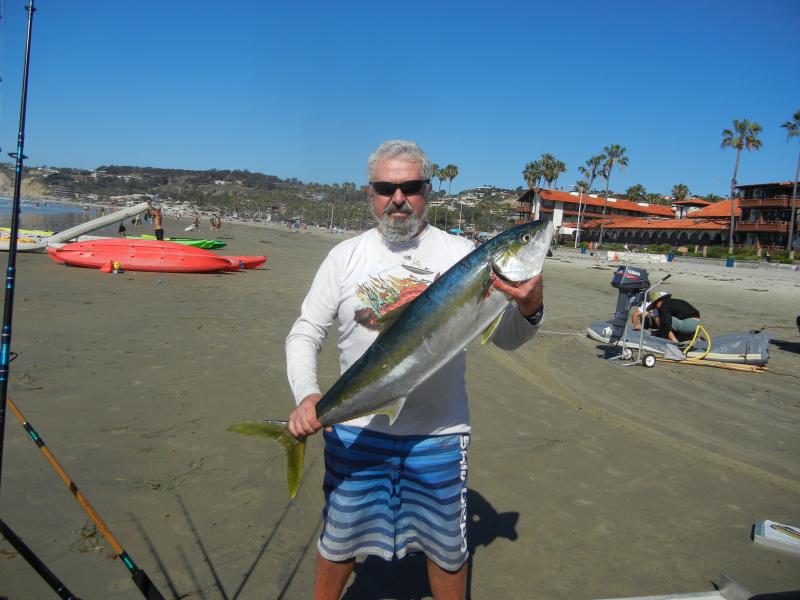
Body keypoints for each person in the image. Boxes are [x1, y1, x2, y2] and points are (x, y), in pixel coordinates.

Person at [285, 140, 545, 600]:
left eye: (410, 186)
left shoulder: (462, 253)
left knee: (446, 551)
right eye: (386, 187)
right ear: (371, 193)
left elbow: (506, 338)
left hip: (439, 435)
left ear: (428, 190)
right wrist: (309, 395)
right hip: (355, 429)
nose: (398, 198)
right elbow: (305, 332)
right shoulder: (344, 257)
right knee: (339, 541)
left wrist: (530, 305)